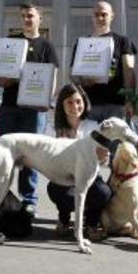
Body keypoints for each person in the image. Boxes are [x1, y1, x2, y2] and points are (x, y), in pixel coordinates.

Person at [0, 2, 59, 214]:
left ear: (39, 18)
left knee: (31, 156)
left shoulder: (46, 46)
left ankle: (28, 199)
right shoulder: (11, 43)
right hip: (10, 107)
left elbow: (53, 76)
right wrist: (3, 80)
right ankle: (1, 194)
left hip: (34, 110)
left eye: (30, 15)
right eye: (23, 16)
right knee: (5, 154)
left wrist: (48, 99)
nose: (26, 19)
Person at [46, 84, 112, 240]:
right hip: (64, 177)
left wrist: (103, 157)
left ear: (85, 102)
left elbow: (103, 163)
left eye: (78, 101)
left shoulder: (94, 127)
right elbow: (47, 158)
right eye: (69, 102)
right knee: (58, 191)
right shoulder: (52, 129)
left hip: (89, 176)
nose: (75, 106)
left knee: (103, 192)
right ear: (61, 105)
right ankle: (64, 219)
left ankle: (91, 225)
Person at [71, 1, 136, 123]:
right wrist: (82, 80)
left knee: (116, 141)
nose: (100, 18)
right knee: (90, 141)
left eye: (104, 14)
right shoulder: (82, 43)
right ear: (92, 17)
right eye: (96, 15)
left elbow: (129, 73)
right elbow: (73, 74)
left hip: (115, 104)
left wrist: (130, 99)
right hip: (88, 104)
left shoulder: (123, 41)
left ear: (112, 16)